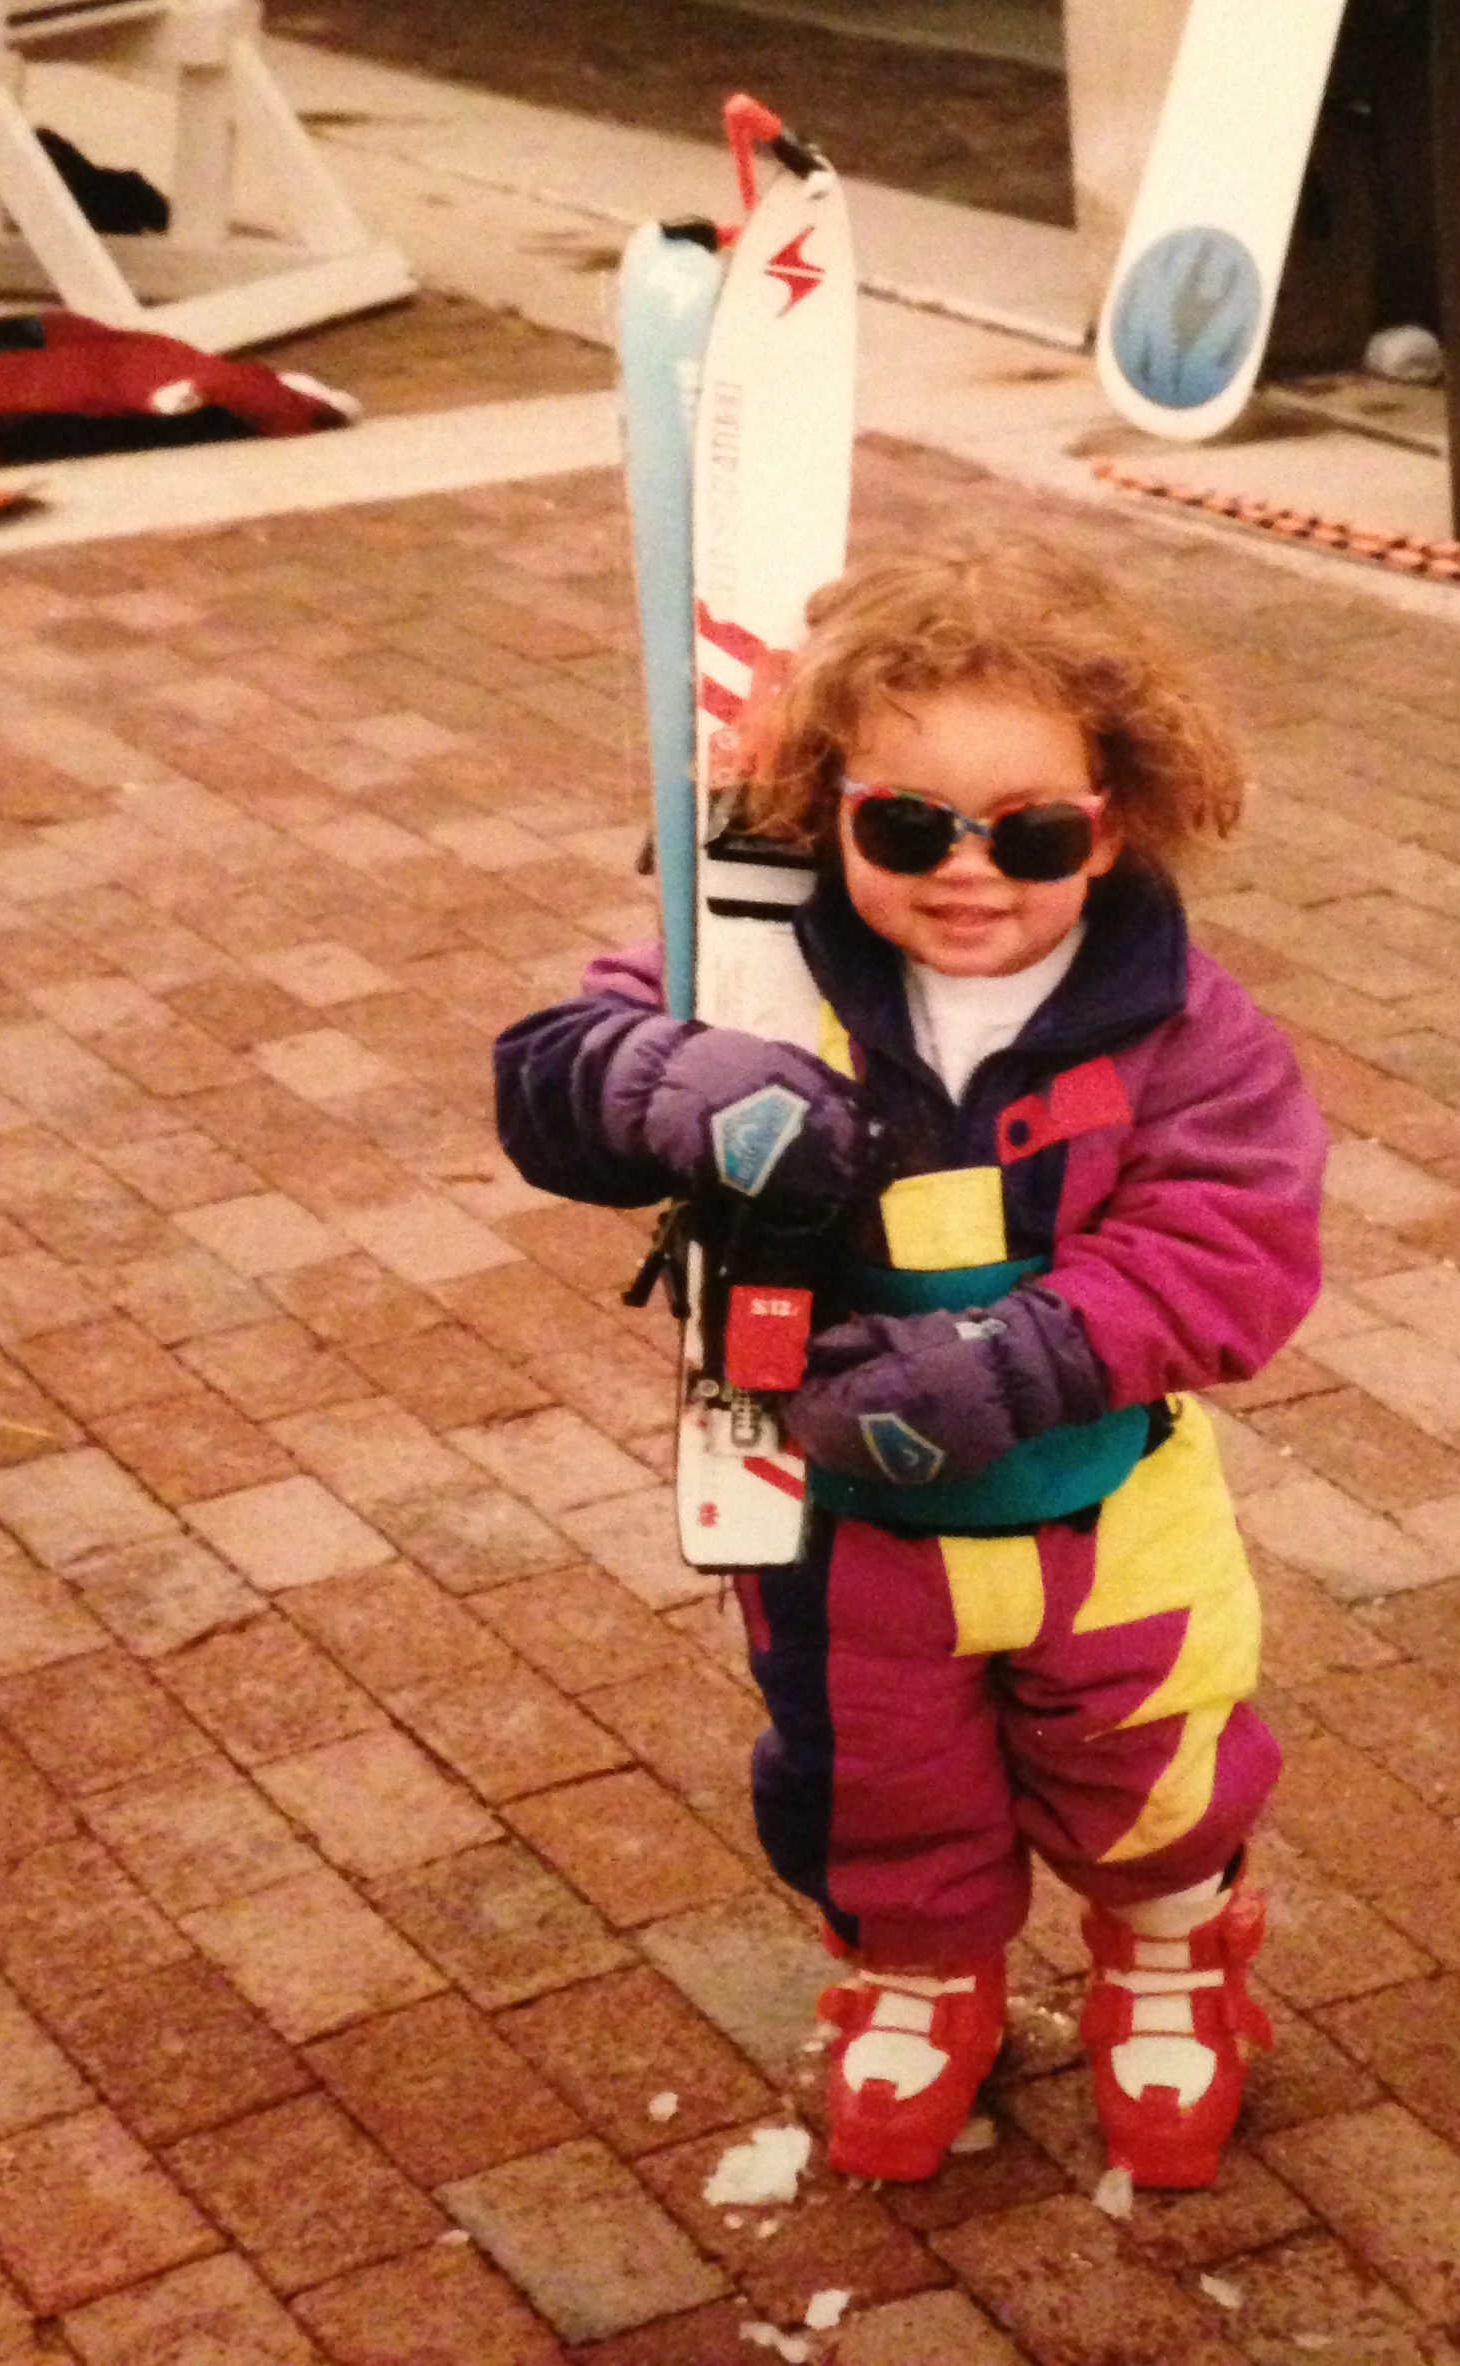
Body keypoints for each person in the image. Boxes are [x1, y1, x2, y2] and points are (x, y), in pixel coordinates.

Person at [492, 539, 1325, 2190]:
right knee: (878, 1777)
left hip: (1105, 1518)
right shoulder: (752, 966)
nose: (969, 874)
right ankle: (924, 1975)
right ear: (829, 805)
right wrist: (670, 1078)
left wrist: (1014, 1357)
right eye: (904, 826)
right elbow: (546, 1075)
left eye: (1029, 833)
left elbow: (1238, 1242)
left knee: (1149, 1761)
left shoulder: (1178, 1024)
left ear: (1115, 818)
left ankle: (1169, 1951)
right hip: (844, 1527)